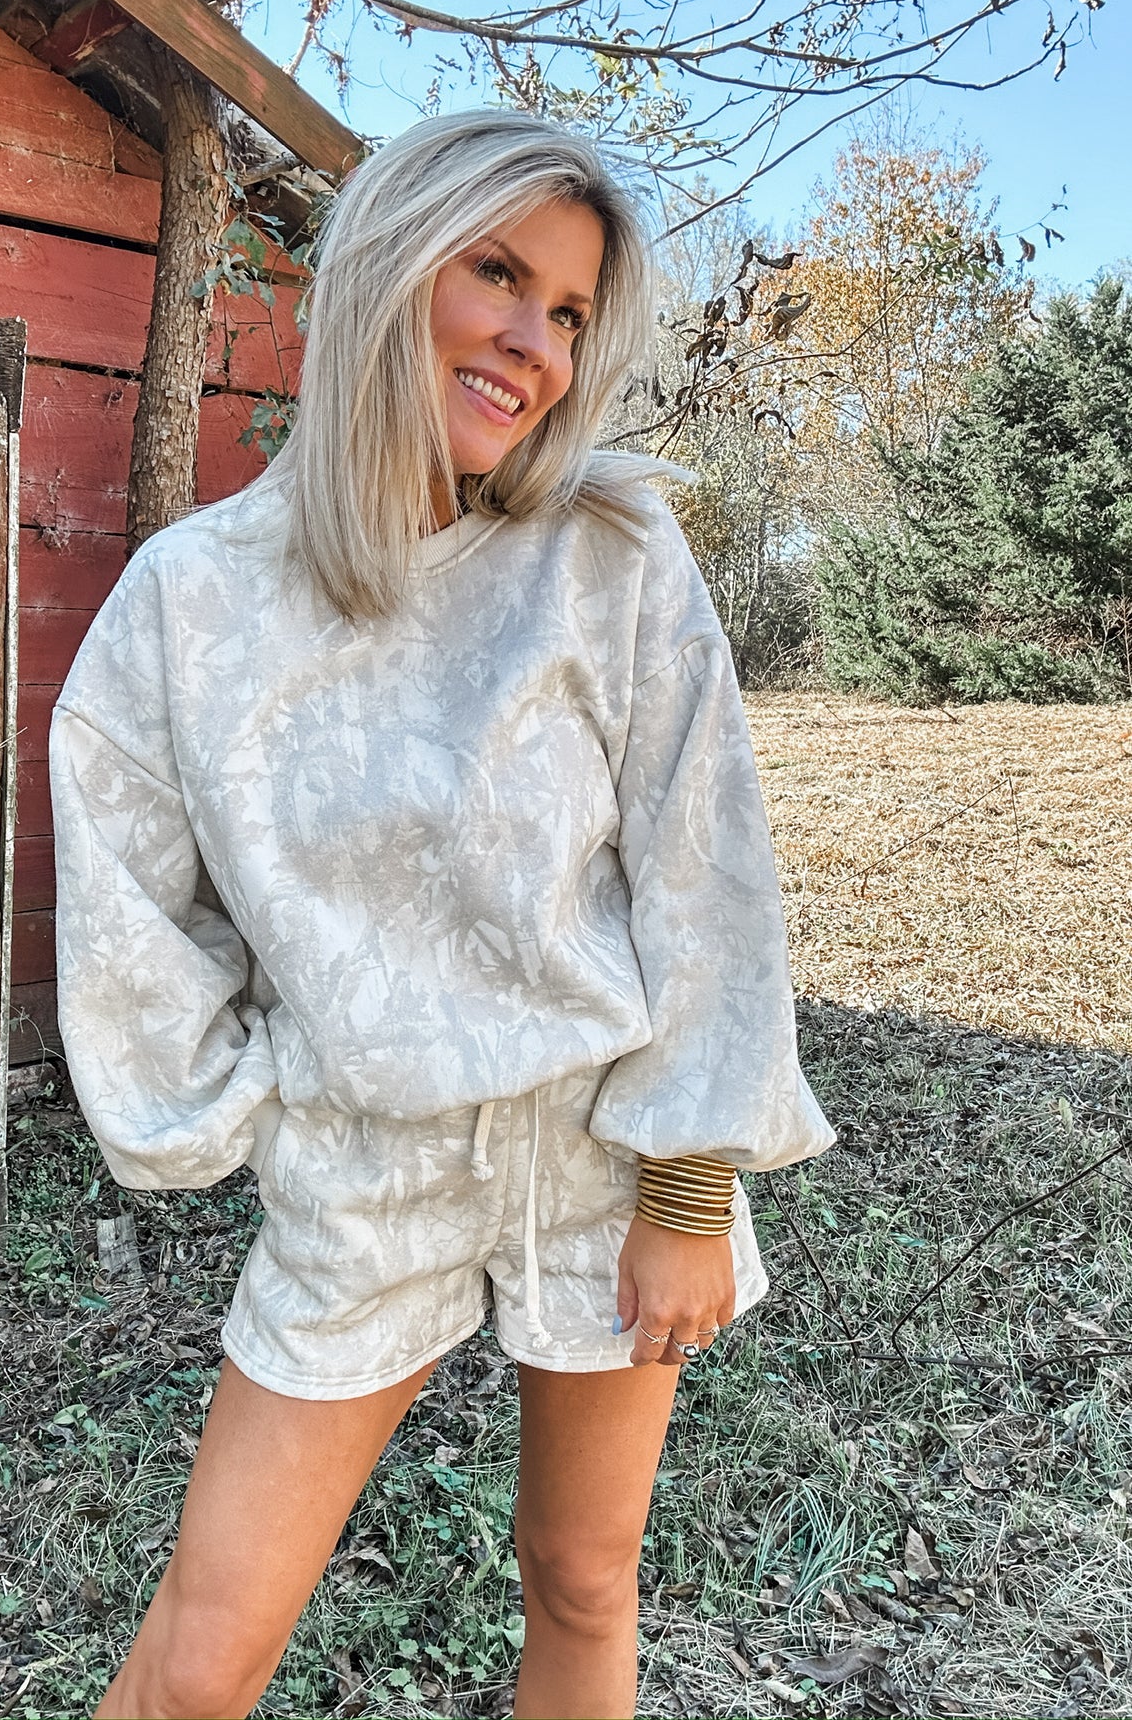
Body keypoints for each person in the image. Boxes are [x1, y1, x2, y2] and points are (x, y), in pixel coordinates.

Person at [49, 108, 836, 1720]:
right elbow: (129, 907)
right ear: (387, 266)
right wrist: (256, 1105)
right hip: (363, 1168)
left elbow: (704, 870)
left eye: (569, 312)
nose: (534, 342)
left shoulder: (609, 554)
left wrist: (690, 1185)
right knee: (202, 1658)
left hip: (602, 1159)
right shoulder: (193, 600)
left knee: (582, 1581)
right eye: (498, 274)